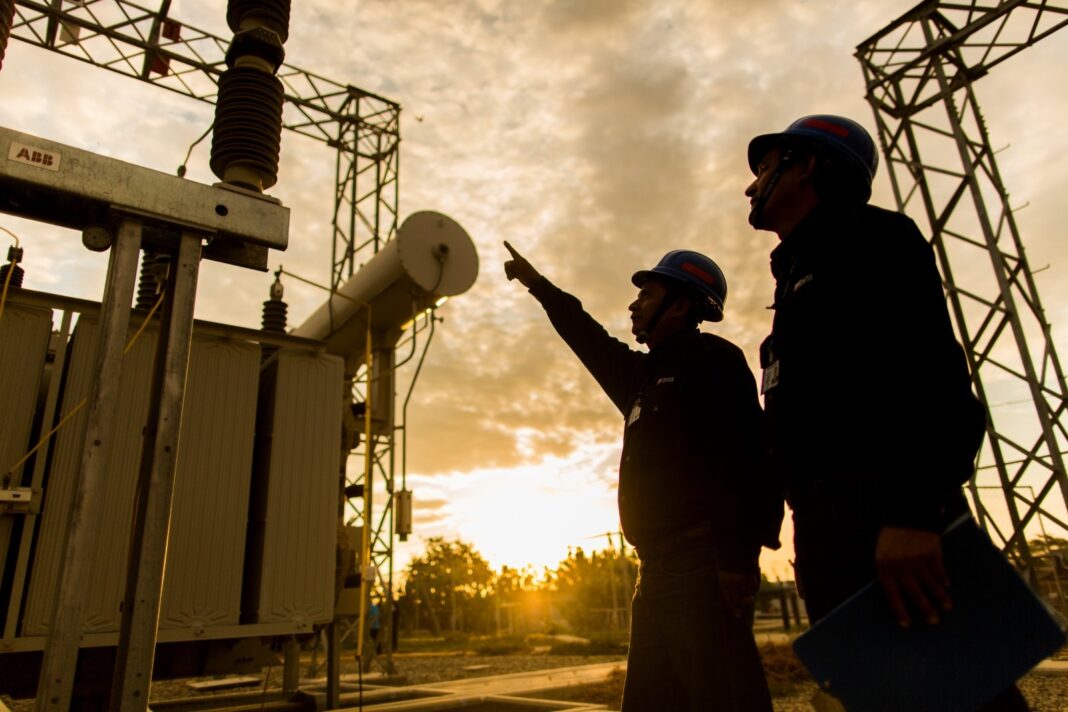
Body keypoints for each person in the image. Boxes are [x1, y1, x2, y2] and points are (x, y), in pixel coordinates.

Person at [745, 114, 1029, 710]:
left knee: (958, 696)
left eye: (767, 167)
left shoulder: (871, 239)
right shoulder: (798, 274)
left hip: (886, 522)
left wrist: (914, 514)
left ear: (810, 164)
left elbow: (935, 380)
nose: (752, 186)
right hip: (831, 528)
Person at [504, 241, 782, 711]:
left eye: (647, 295)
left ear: (680, 305)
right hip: (653, 574)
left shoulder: (713, 361)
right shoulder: (642, 377)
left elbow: (748, 459)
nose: (634, 303)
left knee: (723, 697)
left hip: (702, 568)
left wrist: (738, 559)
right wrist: (540, 287)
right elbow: (586, 336)